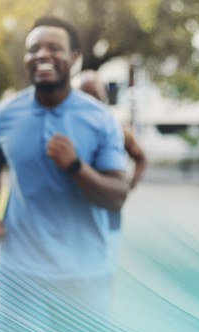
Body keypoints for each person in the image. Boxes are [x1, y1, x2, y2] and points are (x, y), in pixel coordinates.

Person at [0, 16, 128, 332]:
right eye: (33, 49)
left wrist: (75, 166)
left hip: (84, 274)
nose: (42, 55)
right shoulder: (4, 115)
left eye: (53, 48)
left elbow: (117, 195)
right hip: (19, 270)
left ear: (74, 58)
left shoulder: (100, 119)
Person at [73, 69, 148, 260]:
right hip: (75, 213)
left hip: (108, 211)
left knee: (106, 260)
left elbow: (141, 158)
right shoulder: (67, 130)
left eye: (95, 96)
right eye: (84, 96)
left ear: (104, 97)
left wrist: (129, 185)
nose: (90, 102)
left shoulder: (116, 129)